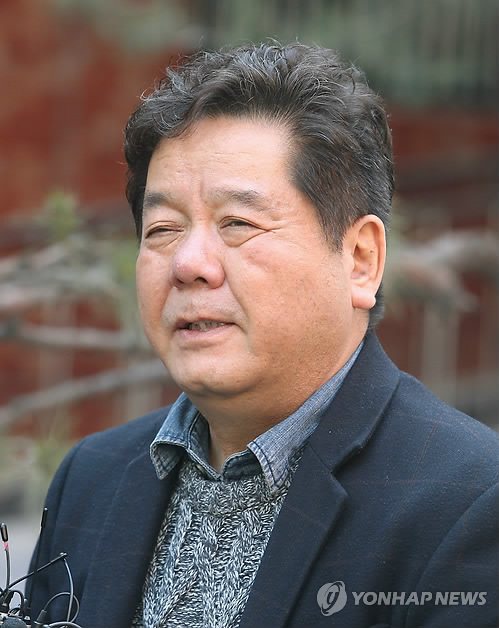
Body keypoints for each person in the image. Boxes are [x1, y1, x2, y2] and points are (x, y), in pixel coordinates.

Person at [27, 42, 497, 628]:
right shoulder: (90, 478)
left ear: (360, 259)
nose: (189, 264)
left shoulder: (470, 502)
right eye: (164, 228)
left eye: (238, 223)